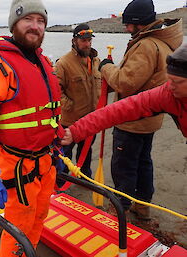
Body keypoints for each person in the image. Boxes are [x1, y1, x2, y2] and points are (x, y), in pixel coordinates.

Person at [0, 0, 64, 256]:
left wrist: (57, 148)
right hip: (16, 166)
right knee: (17, 228)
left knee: (39, 217)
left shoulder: (44, 63)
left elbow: (49, 112)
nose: (35, 26)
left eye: (41, 21)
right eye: (28, 20)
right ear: (14, 24)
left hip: (46, 161)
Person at [62, 43, 187, 219]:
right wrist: (76, 131)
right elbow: (119, 109)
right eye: (169, 79)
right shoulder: (168, 93)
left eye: (178, 82)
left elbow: (125, 81)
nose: (170, 85)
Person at [95, 0, 183, 219]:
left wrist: (106, 67)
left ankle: (119, 209)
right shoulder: (161, 43)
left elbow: (125, 82)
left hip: (132, 121)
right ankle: (142, 207)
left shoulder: (145, 46)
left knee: (123, 167)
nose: (126, 28)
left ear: (138, 23)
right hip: (150, 120)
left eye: (128, 24)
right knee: (143, 163)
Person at [54, 23, 101, 186]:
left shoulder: (96, 61)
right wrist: (69, 105)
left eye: (89, 40)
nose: (87, 43)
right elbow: (55, 89)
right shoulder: (63, 63)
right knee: (64, 153)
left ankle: (84, 178)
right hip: (69, 122)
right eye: (83, 40)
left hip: (91, 120)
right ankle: (60, 181)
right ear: (74, 41)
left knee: (86, 151)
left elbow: (101, 85)